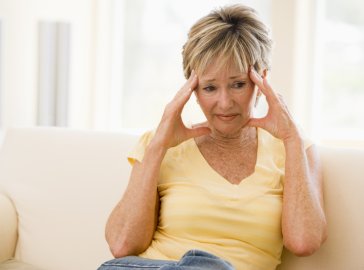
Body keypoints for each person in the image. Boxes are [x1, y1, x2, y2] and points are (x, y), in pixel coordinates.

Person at [98, 4, 327, 270]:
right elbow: (122, 246)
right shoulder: (159, 144)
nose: (225, 102)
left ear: (262, 81)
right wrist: (158, 147)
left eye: (238, 84)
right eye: (209, 87)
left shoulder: (295, 148)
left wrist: (291, 138)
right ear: (192, 90)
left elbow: (304, 242)